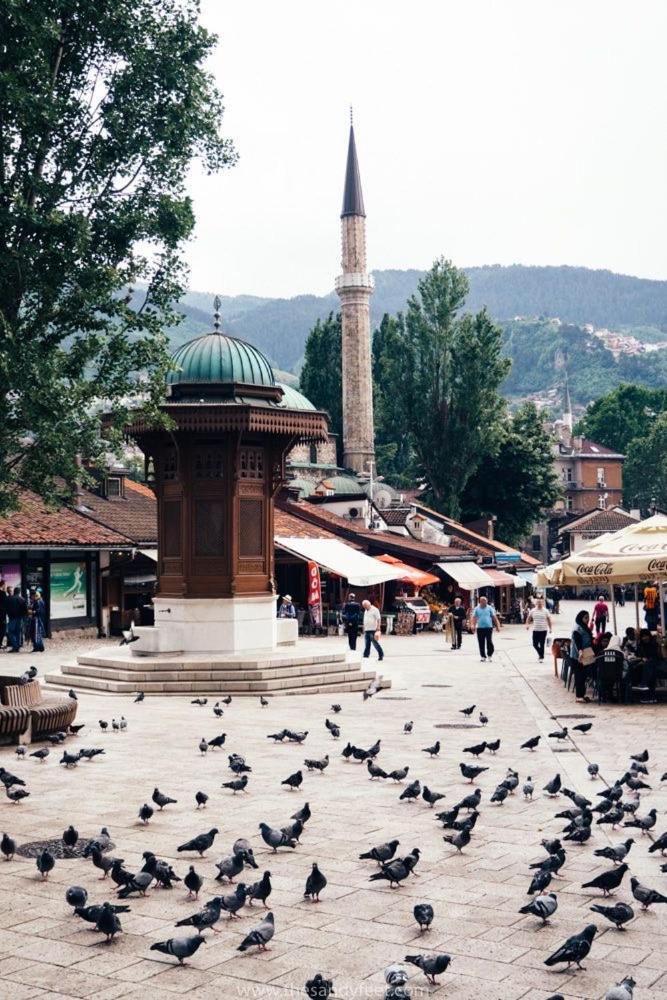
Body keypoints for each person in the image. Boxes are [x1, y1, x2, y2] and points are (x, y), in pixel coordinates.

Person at [569, 609, 594, 702]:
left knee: (583, 676)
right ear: (581, 618)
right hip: (578, 657)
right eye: (586, 618)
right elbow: (577, 642)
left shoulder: (584, 627)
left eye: (588, 617)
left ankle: (582, 695)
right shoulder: (578, 629)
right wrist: (580, 652)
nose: (587, 619)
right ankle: (579, 696)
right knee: (579, 676)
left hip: (585, 654)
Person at [472, 595, 500, 662]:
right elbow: (474, 618)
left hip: (488, 627)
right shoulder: (477, 608)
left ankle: (489, 655)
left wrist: (497, 626)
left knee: (489, 642)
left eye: (486, 601)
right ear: (480, 602)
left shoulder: (490, 608)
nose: (485, 602)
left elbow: (494, 617)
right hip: (480, 628)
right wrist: (473, 625)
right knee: (481, 642)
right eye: (483, 601)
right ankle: (483, 656)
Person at [525, 596, 552, 662]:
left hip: (543, 630)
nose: (539, 604)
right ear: (536, 603)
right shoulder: (533, 610)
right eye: (538, 602)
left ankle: (541, 657)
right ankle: (541, 654)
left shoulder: (546, 611)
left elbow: (549, 620)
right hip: (535, 630)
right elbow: (528, 618)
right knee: (535, 644)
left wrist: (550, 628)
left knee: (542, 644)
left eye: (541, 603)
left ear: (542, 603)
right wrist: (527, 625)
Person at [6, 586, 27, 652]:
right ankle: (17, 646)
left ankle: (15, 646)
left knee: (10, 632)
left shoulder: (10, 599)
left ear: (14, 591)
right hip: (20, 618)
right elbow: (25, 610)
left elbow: (7, 608)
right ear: (19, 592)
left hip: (12, 618)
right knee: (18, 632)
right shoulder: (22, 599)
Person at [30, 588, 47, 653]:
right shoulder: (40, 601)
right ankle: (40, 647)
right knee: (37, 633)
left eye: (32, 596)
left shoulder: (37, 602)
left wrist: (32, 612)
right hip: (38, 619)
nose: (31, 597)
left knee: (35, 633)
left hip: (36, 619)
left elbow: (38, 611)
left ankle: (37, 647)